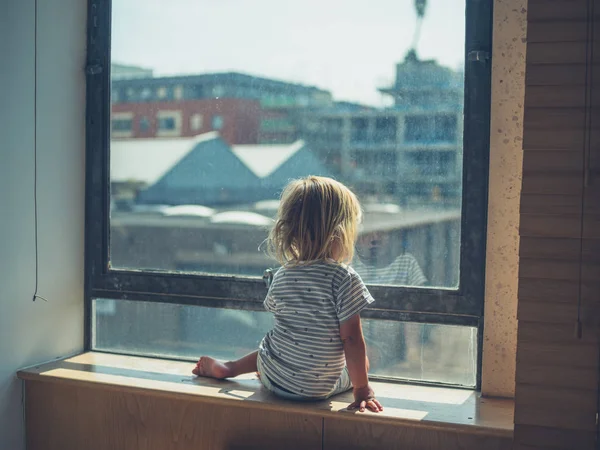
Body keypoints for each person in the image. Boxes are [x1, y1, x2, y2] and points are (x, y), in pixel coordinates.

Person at [193, 176, 383, 413]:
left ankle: (230, 368)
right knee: (362, 361)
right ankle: (238, 368)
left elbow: (281, 323)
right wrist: (362, 389)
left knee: (270, 346)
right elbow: (352, 339)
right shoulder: (343, 277)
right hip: (317, 389)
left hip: (275, 380)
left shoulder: (283, 274)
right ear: (341, 232)